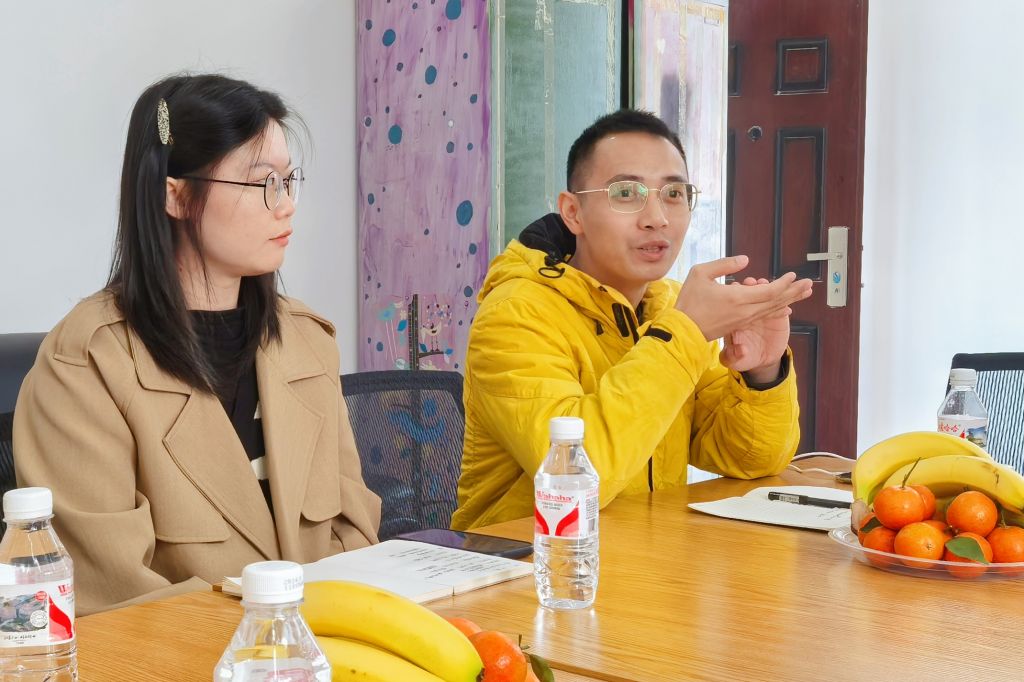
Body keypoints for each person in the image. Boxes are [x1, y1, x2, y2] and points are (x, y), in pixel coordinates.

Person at [13, 74, 380, 614]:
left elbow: (354, 533)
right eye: (262, 183)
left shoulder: (307, 340)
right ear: (176, 195)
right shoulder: (86, 363)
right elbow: (111, 596)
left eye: (288, 180)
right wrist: (268, 636)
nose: (286, 205)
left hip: (325, 647)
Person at [451, 110, 813, 530]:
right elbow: (578, 474)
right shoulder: (515, 313)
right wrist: (684, 333)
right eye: (626, 193)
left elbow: (749, 459)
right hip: (526, 561)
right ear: (573, 212)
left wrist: (763, 374)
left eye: (674, 193)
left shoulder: (668, 306)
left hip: (643, 554)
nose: (657, 217)